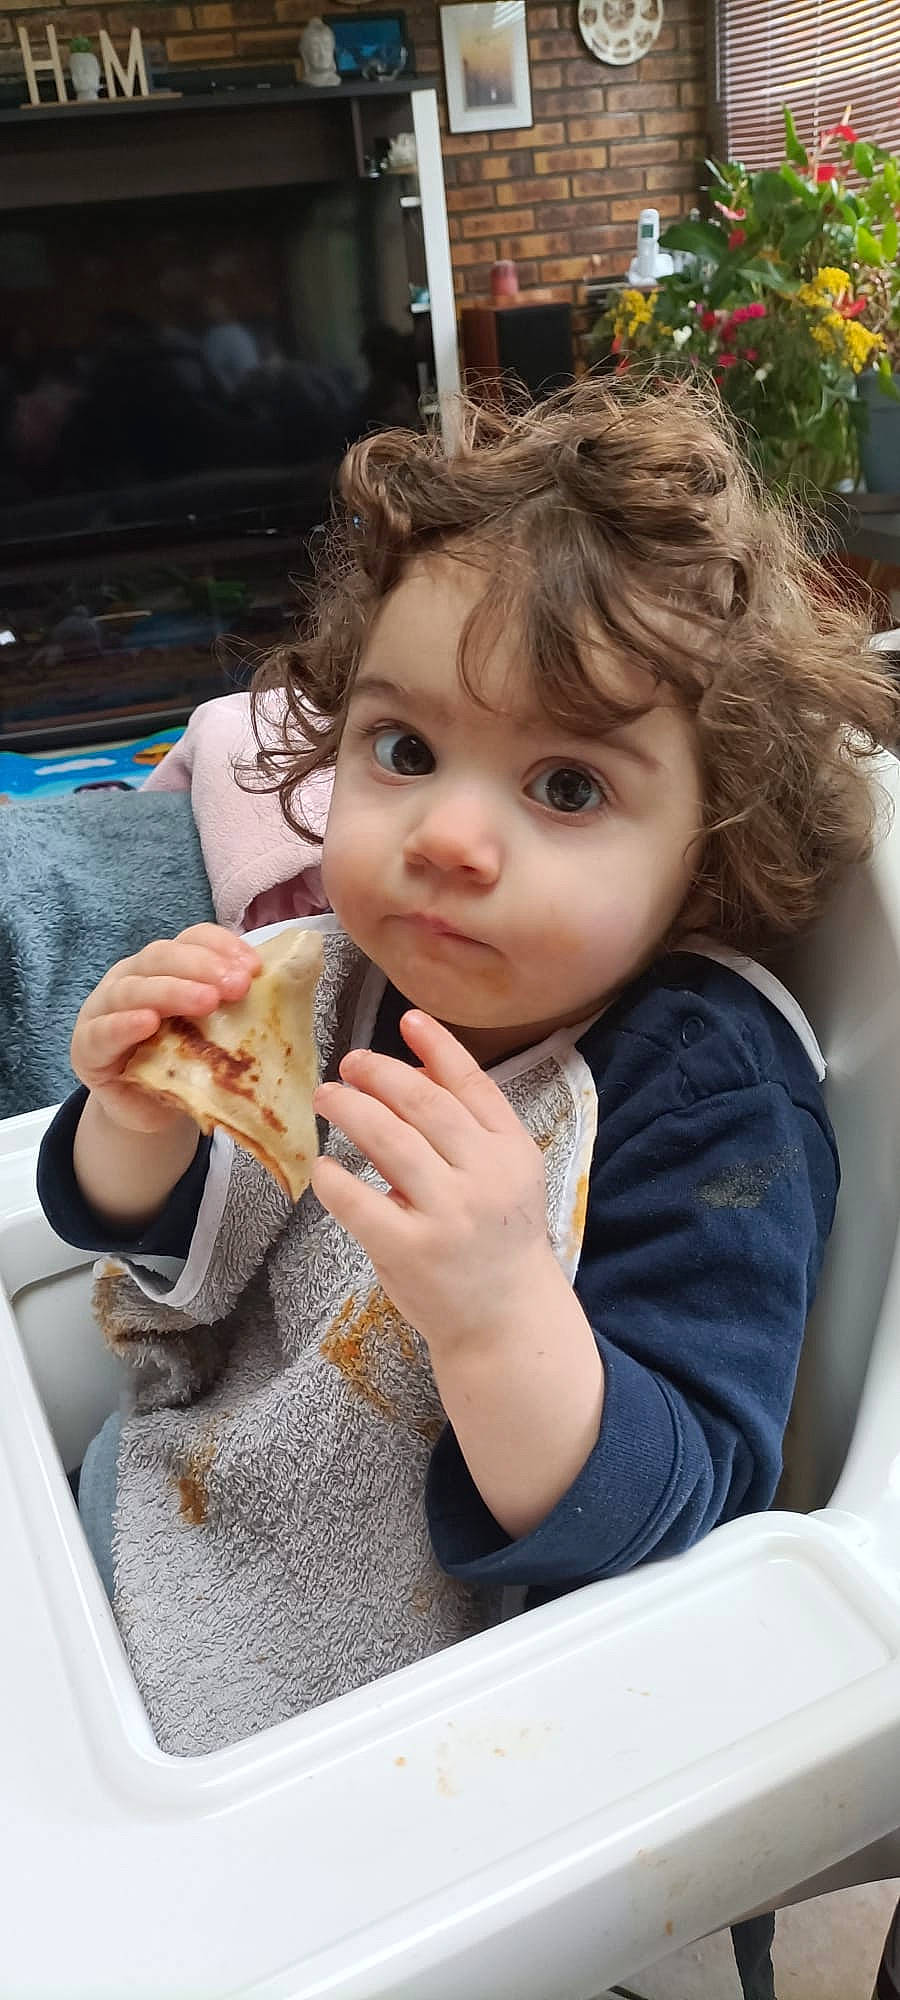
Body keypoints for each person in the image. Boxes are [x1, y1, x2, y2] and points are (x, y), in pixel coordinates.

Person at [37, 379, 896, 1997]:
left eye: (565, 788)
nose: (444, 837)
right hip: (204, 1536)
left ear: (709, 842)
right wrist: (132, 1112)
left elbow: (683, 1503)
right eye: (405, 747)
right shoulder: (322, 976)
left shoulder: (704, 1093)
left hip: (474, 1730)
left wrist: (504, 1312)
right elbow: (150, 1237)